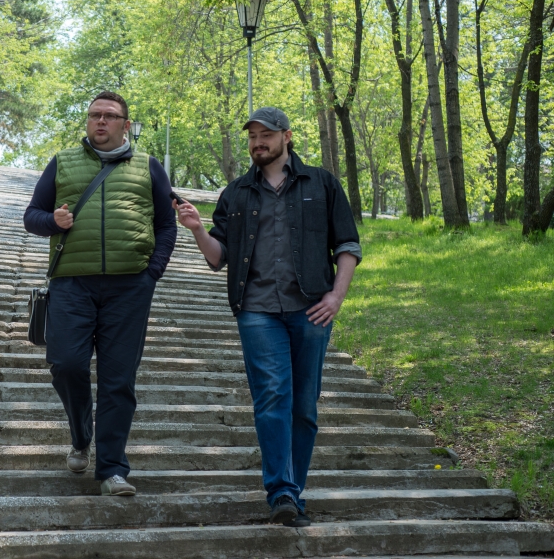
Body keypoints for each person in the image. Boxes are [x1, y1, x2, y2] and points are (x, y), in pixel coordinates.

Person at [174, 106, 361, 526]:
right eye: (252, 137)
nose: (258, 143)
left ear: (286, 136)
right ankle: (282, 492)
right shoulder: (236, 193)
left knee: (304, 405)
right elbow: (219, 258)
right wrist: (198, 229)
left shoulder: (323, 184)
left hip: (312, 309)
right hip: (257, 310)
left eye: (266, 136)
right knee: (273, 395)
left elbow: (348, 245)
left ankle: (294, 487)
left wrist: (336, 297)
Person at [23, 91, 177, 496]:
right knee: (67, 364)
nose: (101, 122)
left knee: (118, 379)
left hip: (129, 288)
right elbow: (31, 217)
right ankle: (80, 434)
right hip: (72, 284)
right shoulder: (62, 163)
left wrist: (152, 273)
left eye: (110, 116)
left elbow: (166, 225)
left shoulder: (149, 167)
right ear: (87, 122)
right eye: (95, 115)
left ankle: (112, 468)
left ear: (126, 125)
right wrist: (53, 221)